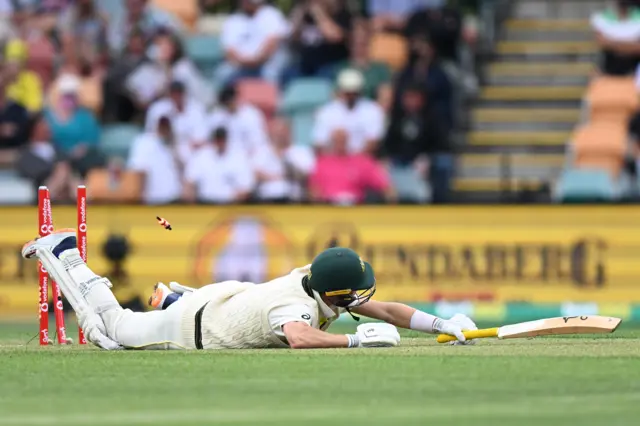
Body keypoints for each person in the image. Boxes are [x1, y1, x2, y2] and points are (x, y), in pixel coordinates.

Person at [22, 230, 477, 350]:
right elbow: (299, 337)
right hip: (192, 328)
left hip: (225, 299)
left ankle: (177, 293)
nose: (363, 300)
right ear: (333, 295)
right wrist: (354, 339)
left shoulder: (314, 279)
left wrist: (440, 322)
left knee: (222, 302)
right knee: (115, 329)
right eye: (355, 293)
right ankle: (65, 253)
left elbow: (388, 311)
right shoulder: (295, 306)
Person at [309, 128, 394, 204]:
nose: (340, 143)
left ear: (347, 140)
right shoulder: (322, 163)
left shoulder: (361, 162)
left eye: (342, 140)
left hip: (356, 208)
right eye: (337, 140)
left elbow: (385, 186)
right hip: (328, 209)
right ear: (332, 141)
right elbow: (314, 189)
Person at [312, 68, 385, 155]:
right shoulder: (327, 112)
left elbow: (373, 142)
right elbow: (319, 143)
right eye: (347, 92)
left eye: (354, 92)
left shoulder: (373, 110)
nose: (351, 96)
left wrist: (353, 160)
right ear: (341, 91)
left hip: (362, 159)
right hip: (334, 158)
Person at [216, 0, 289, 85]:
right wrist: (244, 62)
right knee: (223, 73)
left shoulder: (271, 14)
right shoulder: (233, 20)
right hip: (239, 66)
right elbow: (229, 50)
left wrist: (256, 61)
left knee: (270, 73)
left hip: (265, 65)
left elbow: (272, 43)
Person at [183, 127, 255, 204]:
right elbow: (189, 182)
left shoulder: (238, 158)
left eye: (222, 139)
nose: (220, 142)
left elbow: (247, 187)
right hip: (205, 204)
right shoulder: (201, 157)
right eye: (218, 139)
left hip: (230, 204)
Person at [286, 0, 354, 81]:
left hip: (330, 64)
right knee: (287, 74)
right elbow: (292, 35)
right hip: (305, 64)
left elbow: (335, 36)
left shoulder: (341, 14)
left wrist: (318, 13)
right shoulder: (306, 16)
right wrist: (300, 13)